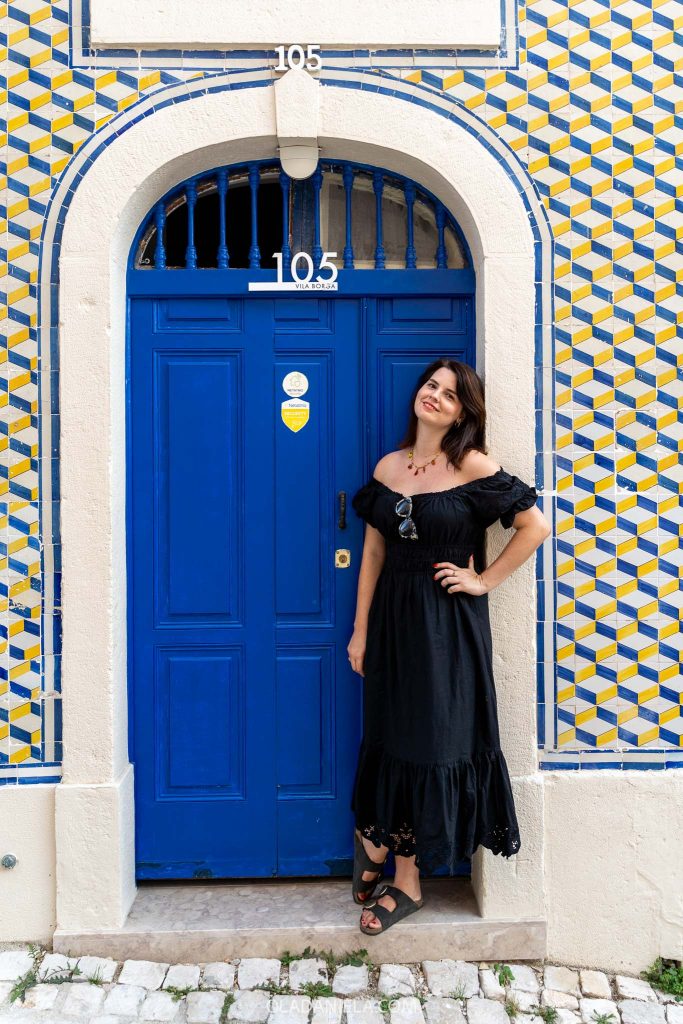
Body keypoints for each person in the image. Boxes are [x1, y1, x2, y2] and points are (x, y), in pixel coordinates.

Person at [347, 357, 551, 936]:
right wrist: (361, 630)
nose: (435, 396)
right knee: (392, 735)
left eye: (451, 394)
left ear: (463, 413)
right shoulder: (389, 466)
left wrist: (483, 581)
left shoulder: (473, 466)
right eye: (431, 385)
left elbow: (535, 527)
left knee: (430, 742)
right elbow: (374, 554)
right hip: (392, 625)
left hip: (447, 631)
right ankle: (376, 844)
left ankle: (406, 881)